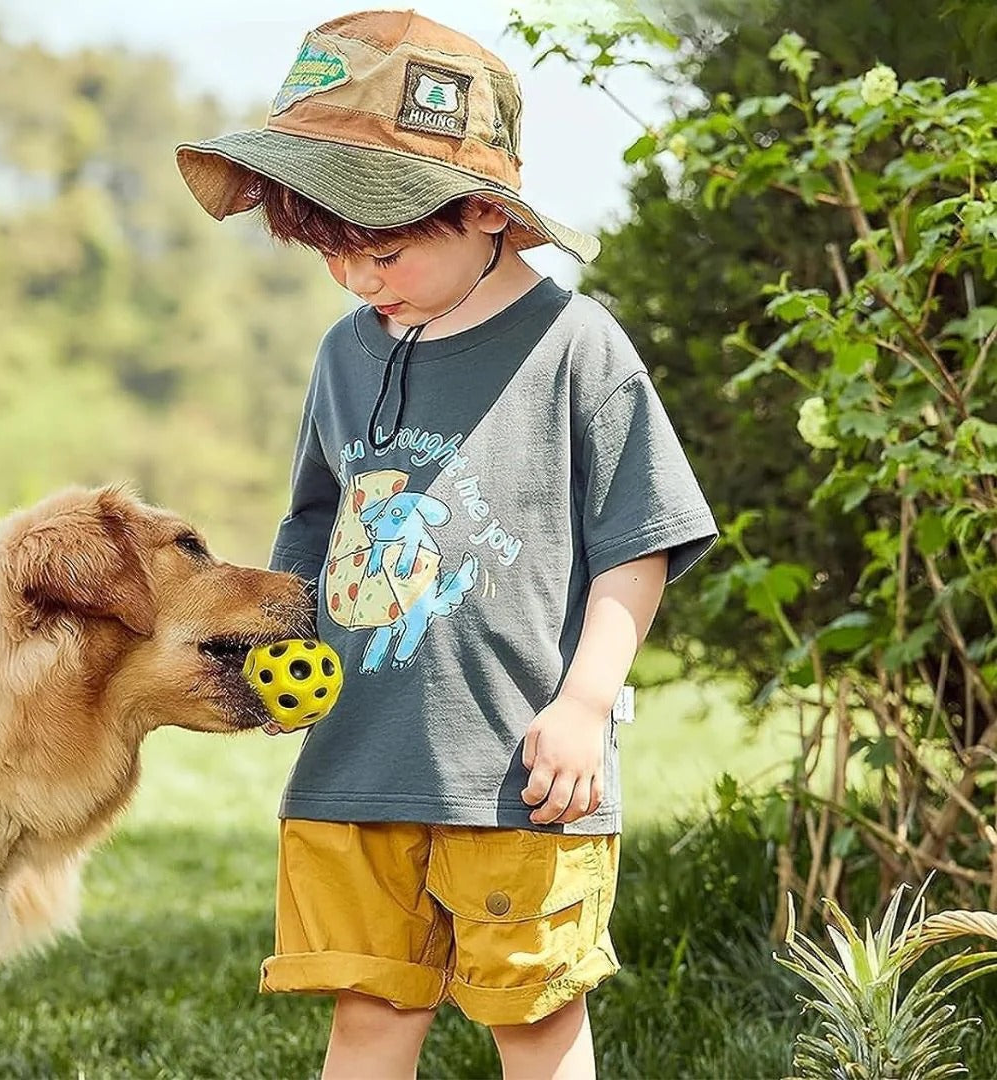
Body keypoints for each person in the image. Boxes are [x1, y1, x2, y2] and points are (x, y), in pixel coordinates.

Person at [176, 9, 718, 1079]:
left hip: (519, 773)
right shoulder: (343, 352)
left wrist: (583, 704)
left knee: (536, 1019)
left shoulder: (576, 347)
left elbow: (639, 545)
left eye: (380, 251)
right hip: (356, 767)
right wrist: (287, 657)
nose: (359, 282)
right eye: (332, 256)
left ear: (483, 215)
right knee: (370, 1014)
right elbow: (316, 524)